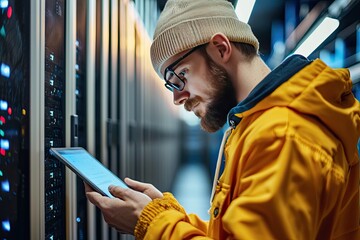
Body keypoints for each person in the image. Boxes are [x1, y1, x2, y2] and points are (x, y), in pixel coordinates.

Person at [85, 0, 360, 239]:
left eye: (179, 76)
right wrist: (166, 214)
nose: (177, 98)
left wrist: (151, 224)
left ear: (220, 47)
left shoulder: (283, 136)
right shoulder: (256, 125)